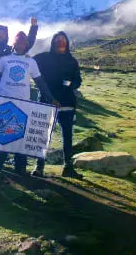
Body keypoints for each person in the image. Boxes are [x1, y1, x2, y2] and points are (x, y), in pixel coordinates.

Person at [0, 31, 58, 176]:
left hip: (23, 105)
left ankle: (20, 170)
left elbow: (40, 82)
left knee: (19, 136)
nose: (20, 45)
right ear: (13, 43)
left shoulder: (31, 62)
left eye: (23, 43)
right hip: (4, 103)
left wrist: (51, 99)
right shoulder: (4, 59)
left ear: (26, 45)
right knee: (1, 134)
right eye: (18, 42)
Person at [35, 31, 84, 179]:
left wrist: (70, 84)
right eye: (57, 40)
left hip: (67, 104)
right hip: (46, 102)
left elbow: (78, 81)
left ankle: (67, 167)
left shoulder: (72, 61)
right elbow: (28, 63)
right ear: (53, 42)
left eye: (63, 40)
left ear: (67, 43)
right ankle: (39, 167)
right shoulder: (43, 58)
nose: (60, 42)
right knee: (43, 136)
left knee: (67, 136)